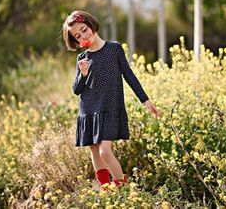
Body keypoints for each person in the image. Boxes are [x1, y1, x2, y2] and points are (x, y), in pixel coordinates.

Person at [62, 10, 160, 191]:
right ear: (76, 41)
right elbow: (76, 90)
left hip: (109, 108)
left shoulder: (114, 49)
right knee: (95, 151)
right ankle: (106, 191)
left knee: (105, 151)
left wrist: (145, 100)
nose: (84, 35)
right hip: (89, 108)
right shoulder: (82, 58)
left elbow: (129, 75)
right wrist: (83, 75)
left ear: (91, 25)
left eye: (84, 29)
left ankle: (121, 192)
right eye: (77, 35)